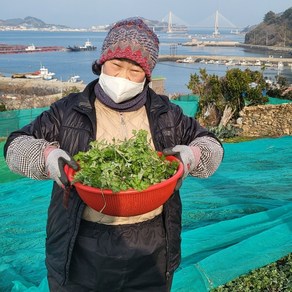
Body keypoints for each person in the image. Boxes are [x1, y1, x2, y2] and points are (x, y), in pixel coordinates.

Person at [4, 17, 224, 291]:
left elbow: (211, 146)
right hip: (81, 245)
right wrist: (47, 158)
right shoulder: (69, 110)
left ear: (147, 75)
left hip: (151, 244)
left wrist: (192, 156)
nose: (123, 77)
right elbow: (16, 146)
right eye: (116, 65)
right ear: (101, 64)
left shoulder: (167, 114)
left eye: (135, 70)